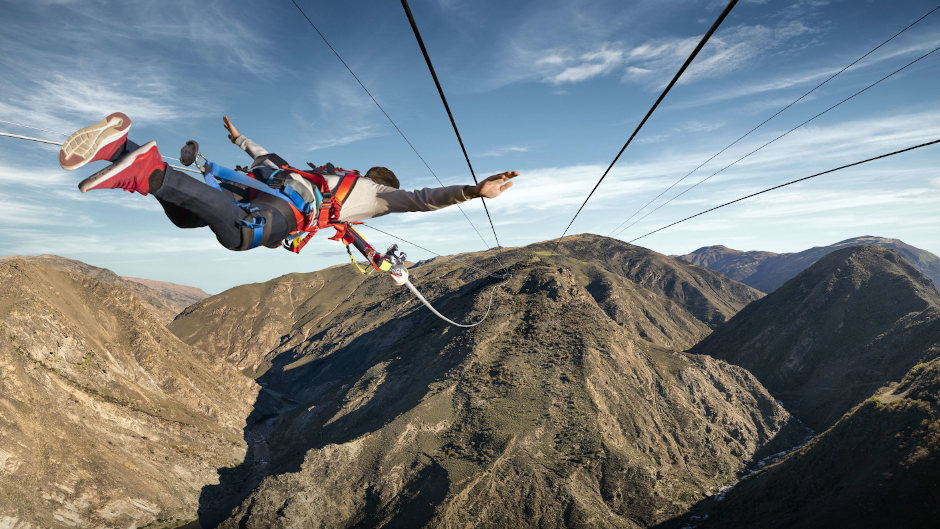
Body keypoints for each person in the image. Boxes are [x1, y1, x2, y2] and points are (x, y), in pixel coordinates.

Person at [59, 112, 518, 251]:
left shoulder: (326, 174)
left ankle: (118, 148)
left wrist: (240, 137)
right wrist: (473, 192)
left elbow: (267, 157)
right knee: (241, 236)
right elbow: (420, 199)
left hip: (256, 184)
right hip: (284, 207)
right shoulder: (376, 194)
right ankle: (146, 172)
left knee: (188, 219)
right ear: (382, 182)